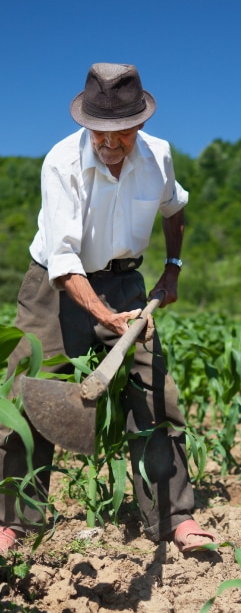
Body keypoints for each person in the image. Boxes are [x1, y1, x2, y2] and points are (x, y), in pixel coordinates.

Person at [0, 63, 216, 555]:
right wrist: (100, 314)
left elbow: (174, 206)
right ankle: (10, 521)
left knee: (154, 394)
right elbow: (64, 260)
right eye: (99, 129)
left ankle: (174, 517)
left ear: (139, 124)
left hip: (127, 285)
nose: (109, 141)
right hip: (55, 287)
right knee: (30, 393)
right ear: (86, 121)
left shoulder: (159, 156)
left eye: (121, 131)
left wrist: (173, 267)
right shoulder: (61, 163)